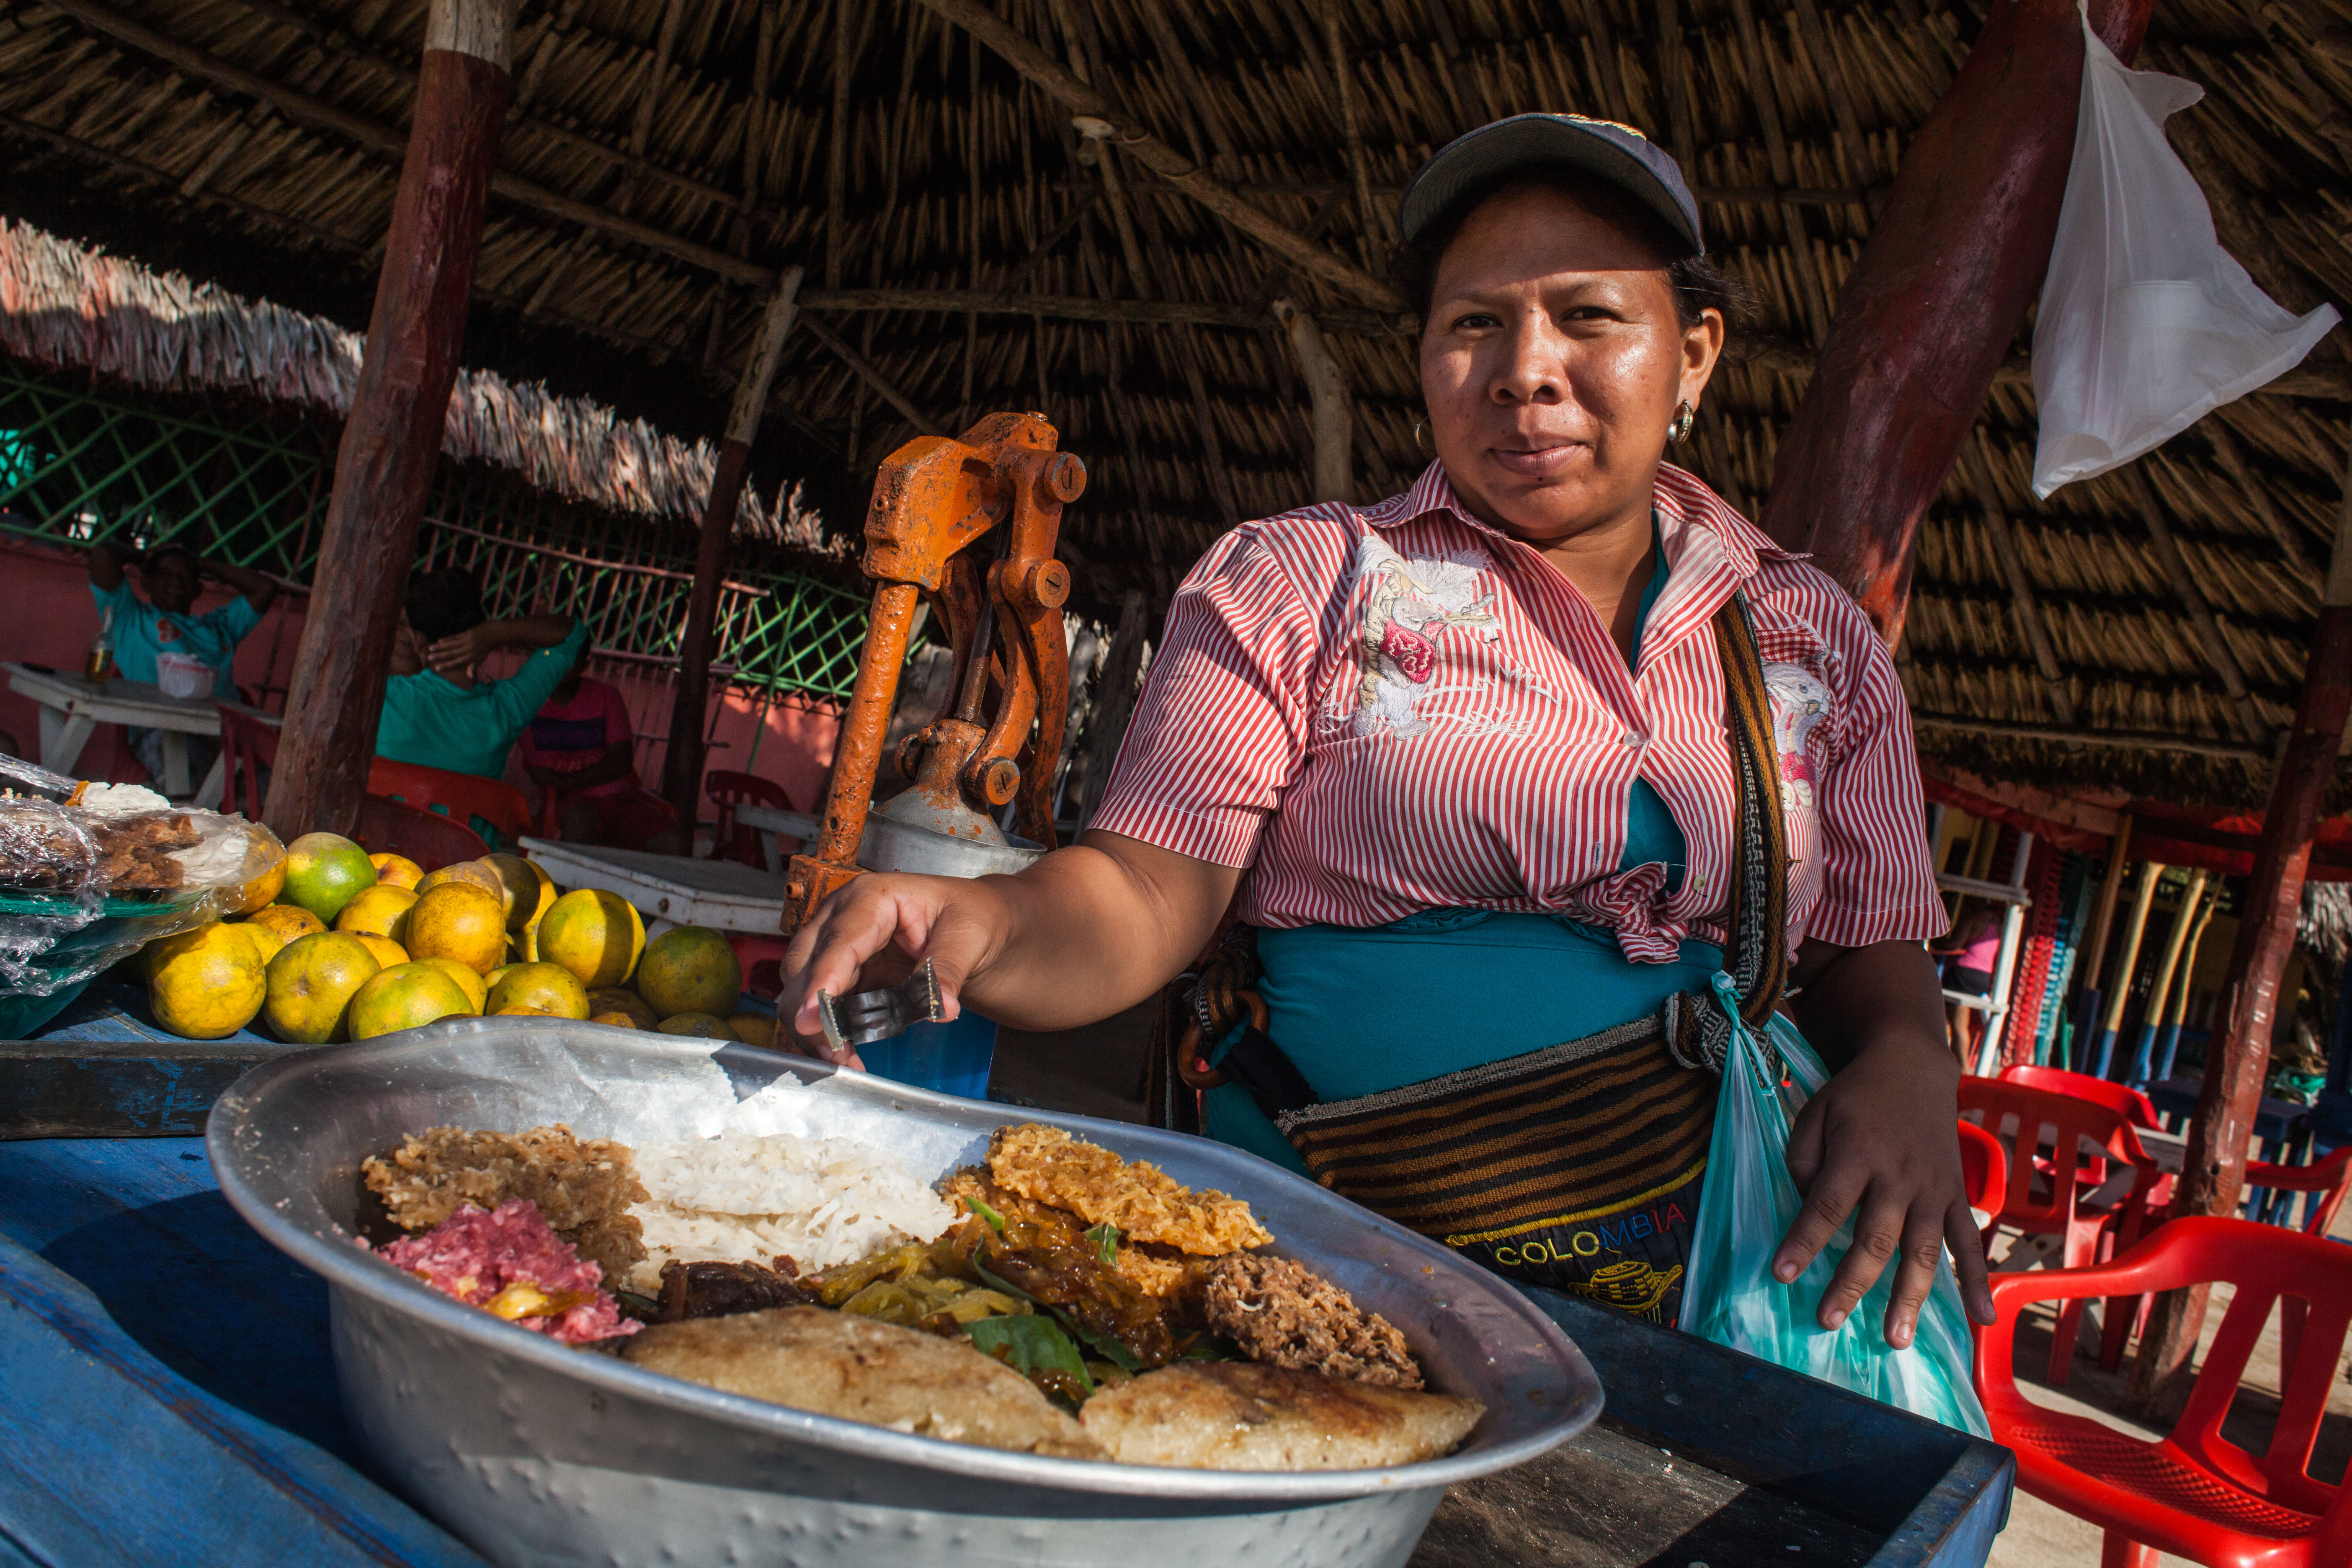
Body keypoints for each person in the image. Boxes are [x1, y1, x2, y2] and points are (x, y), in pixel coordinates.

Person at [777, 113, 1993, 1349]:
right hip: (1319, 1289)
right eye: (1474, 323)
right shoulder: (1300, 584)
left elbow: (1868, 954)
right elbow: (1142, 896)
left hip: (1707, 1299)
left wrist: (1908, 1060)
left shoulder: (1808, 637)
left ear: (1693, 355)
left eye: (1588, 316)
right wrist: (982, 924)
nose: (1525, 369)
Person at [87, 539, 278, 789]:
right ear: (147, 583)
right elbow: (103, 554)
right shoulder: (131, 617)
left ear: (198, 590)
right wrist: (143, 556)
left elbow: (265, 588)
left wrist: (200, 563)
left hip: (225, 739)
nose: (175, 582)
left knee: (282, 786)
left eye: (185, 576)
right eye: (165, 574)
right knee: (183, 777)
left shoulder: (220, 626)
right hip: (164, 732)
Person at [377, 567, 586, 783]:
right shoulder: (507, 711)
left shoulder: (384, 696)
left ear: (418, 639)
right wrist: (495, 633)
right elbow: (572, 635)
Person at [520, 663, 688, 855]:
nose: (564, 662)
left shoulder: (605, 695)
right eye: (554, 654)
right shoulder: (522, 701)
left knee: (674, 842)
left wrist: (565, 780)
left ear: (585, 659)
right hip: (566, 803)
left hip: (621, 799)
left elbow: (621, 763)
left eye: (572, 655)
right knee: (579, 822)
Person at [1929, 900, 2000, 1066]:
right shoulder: (1998, 923)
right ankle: (1957, 1065)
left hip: (1963, 972)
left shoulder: (1973, 918)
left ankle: (1962, 1069)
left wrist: (1934, 942)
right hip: (1983, 977)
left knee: (1956, 1025)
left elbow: (1954, 944)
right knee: (1960, 1024)